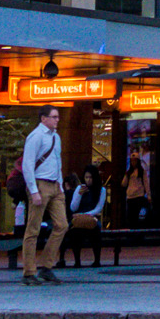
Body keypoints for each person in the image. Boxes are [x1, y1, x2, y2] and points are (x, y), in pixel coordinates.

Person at [19, 104, 68, 287]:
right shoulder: (35, 137)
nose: (57, 120)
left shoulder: (56, 137)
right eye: (54, 117)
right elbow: (28, 165)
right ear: (43, 119)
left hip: (55, 186)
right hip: (40, 185)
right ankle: (29, 272)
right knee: (33, 229)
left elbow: (58, 161)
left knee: (62, 225)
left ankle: (46, 266)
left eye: (57, 117)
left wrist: (60, 185)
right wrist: (33, 190)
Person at [66, 165, 109, 267]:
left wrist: (84, 215)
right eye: (86, 177)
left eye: (91, 177)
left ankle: (97, 259)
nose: (88, 180)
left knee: (95, 230)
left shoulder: (101, 190)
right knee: (74, 232)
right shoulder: (79, 188)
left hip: (91, 217)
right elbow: (73, 207)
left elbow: (99, 208)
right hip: (79, 219)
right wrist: (79, 195)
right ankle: (77, 260)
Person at [124, 156, 150, 226]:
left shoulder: (142, 171)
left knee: (137, 215)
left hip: (139, 195)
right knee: (131, 216)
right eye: (132, 161)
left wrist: (148, 195)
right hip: (130, 196)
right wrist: (126, 175)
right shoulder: (129, 172)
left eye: (135, 161)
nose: (133, 163)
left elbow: (146, 183)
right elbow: (124, 183)